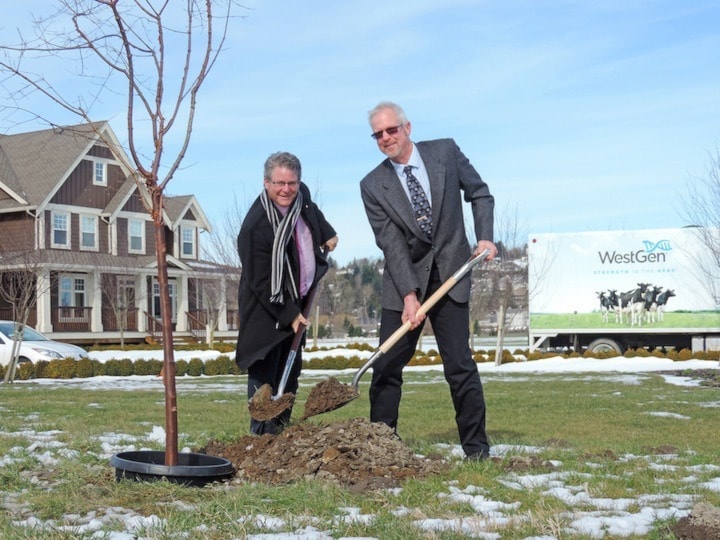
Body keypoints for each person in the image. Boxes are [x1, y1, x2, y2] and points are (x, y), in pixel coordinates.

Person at [359, 101, 498, 461]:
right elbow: (390, 243)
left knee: (459, 364)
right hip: (404, 282)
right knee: (387, 366)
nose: (386, 138)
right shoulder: (373, 185)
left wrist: (484, 236)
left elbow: (480, 193)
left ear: (408, 127)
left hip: (453, 274)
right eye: (378, 134)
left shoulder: (445, 152)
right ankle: (382, 447)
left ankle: (476, 449)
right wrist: (409, 295)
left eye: (391, 130)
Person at [235, 151, 338, 435]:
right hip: (267, 312)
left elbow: (312, 209)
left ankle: (281, 435)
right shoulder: (255, 228)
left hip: (298, 301)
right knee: (266, 380)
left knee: (289, 376)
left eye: (291, 183)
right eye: (279, 183)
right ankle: (261, 438)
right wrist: (290, 314)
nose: (286, 189)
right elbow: (261, 281)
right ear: (266, 182)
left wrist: (326, 231)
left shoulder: (300, 196)